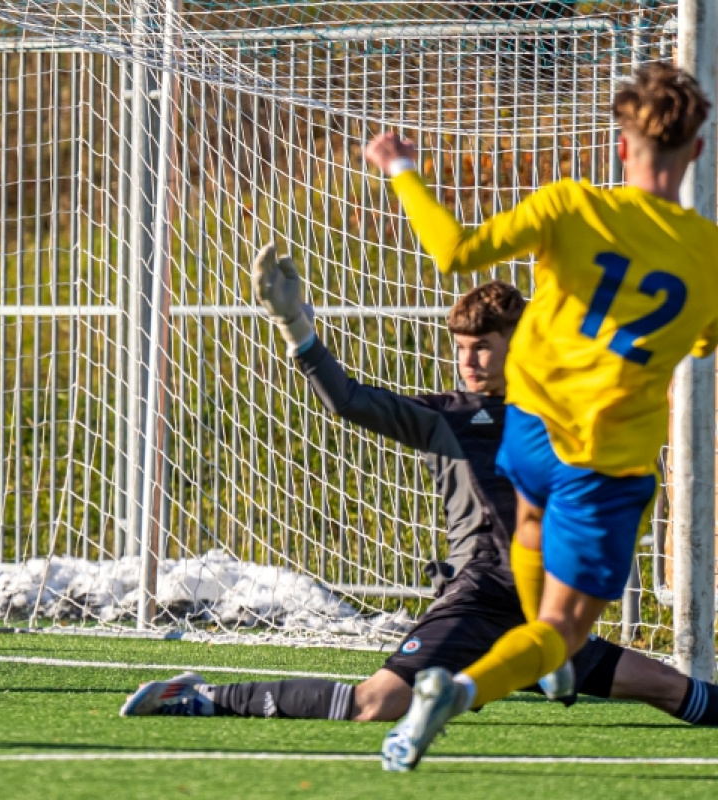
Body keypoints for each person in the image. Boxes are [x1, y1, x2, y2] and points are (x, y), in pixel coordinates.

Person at [120, 259, 718, 731]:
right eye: (460, 348)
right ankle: (200, 696)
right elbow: (350, 400)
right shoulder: (447, 417)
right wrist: (295, 326)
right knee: (375, 704)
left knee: (671, 690)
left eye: (482, 346)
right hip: (478, 602)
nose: (468, 361)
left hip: (547, 614)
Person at [363, 60, 718, 771]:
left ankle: (544, 660)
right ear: (697, 151)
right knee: (561, 630)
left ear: (622, 146)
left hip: (527, 433)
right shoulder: (707, 258)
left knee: (528, 525)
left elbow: (455, 251)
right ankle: (460, 689)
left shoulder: (570, 205)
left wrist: (402, 168)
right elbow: (701, 340)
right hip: (604, 465)